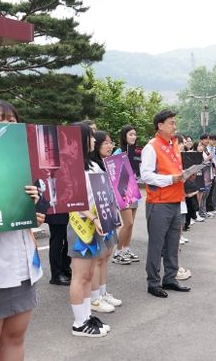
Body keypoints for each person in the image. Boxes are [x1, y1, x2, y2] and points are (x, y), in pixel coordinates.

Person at [0, 100, 43, 361]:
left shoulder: (22, 163)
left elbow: (26, 218)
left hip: (23, 265)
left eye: (11, 121)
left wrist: (31, 212)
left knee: (15, 337)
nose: (5, 126)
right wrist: (3, 219)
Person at [141, 110, 191, 298]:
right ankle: (153, 282)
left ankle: (170, 278)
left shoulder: (173, 144)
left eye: (174, 123)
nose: (174, 126)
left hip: (175, 199)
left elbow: (174, 171)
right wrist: (171, 179)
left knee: (173, 242)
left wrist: (185, 175)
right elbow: (146, 175)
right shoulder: (151, 147)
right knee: (157, 244)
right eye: (171, 123)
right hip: (159, 202)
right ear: (160, 125)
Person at [67, 123, 110, 337]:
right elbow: (71, 200)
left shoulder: (91, 164)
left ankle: (86, 316)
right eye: (91, 136)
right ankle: (79, 323)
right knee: (80, 275)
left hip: (95, 224)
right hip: (81, 226)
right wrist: (93, 217)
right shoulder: (71, 166)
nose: (94, 140)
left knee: (89, 274)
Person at [89, 131, 123, 312]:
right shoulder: (91, 166)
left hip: (108, 213)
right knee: (97, 258)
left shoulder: (105, 164)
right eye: (106, 143)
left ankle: (102, 293)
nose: (110, 146)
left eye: (111, 143)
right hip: (97, 217)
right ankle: (94, 298)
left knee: (105, 256)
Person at [112, 125, 141, 265]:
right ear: (124, 136)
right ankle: (117, 252)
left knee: (131, 224)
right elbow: (113, 172)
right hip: (122, 190)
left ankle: (126, 249)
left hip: (133, 189)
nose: (133, 137)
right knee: (127, 222)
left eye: (135, 134)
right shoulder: (118, 152)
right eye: (130, 134)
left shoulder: (136, 152)